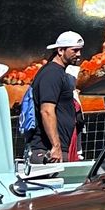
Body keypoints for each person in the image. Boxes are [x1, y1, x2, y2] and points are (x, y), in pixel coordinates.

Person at [32, 31, 85, 161]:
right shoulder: (52, 74)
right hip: (49, 151)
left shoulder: (59, 73)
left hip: (60, 149)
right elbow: (47, 111)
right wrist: (56, 146)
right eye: (74, 50)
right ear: (60, 50)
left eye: (80, 50)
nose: (79, 54)